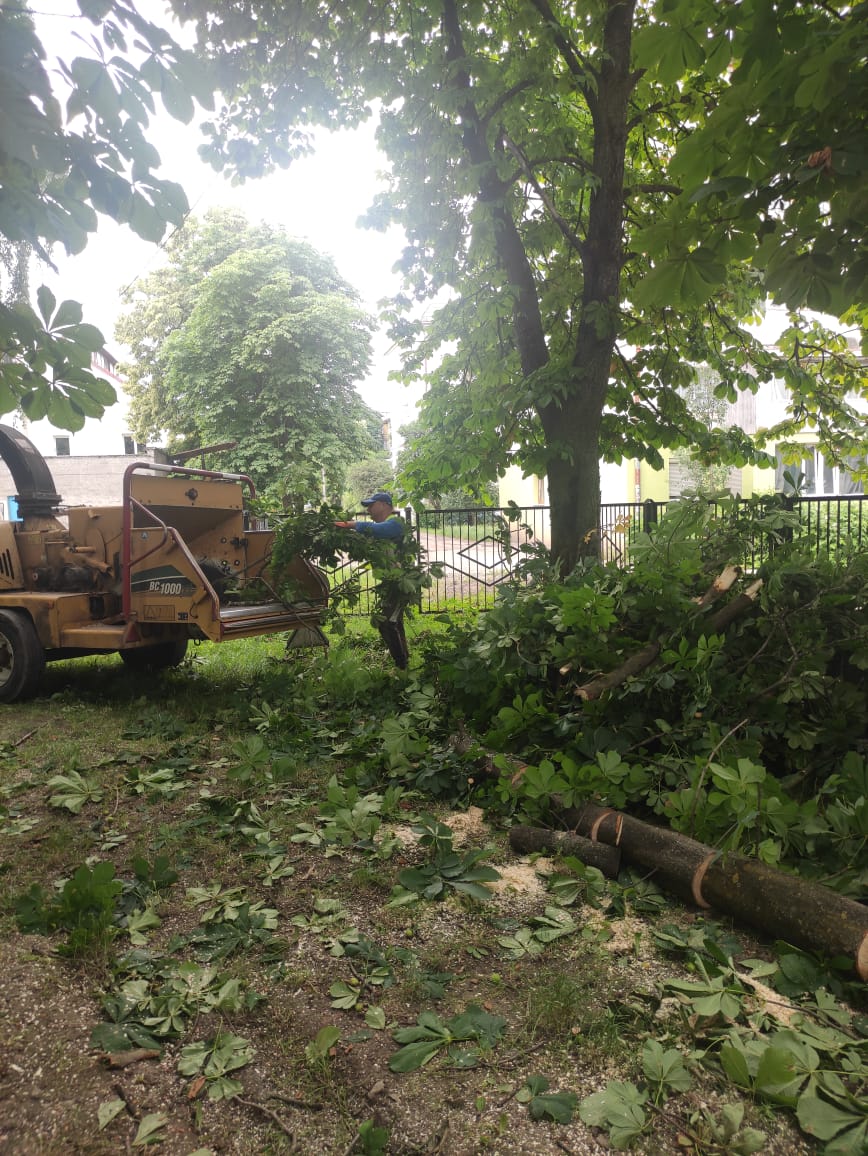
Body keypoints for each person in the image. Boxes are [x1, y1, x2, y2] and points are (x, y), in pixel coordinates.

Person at [335, 492, 409, 668]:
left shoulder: (396, 523)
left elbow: (380, 530)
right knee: (393, 622)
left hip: (402, 582)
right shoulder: (377, 531)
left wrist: (352, 524)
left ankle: (401, 665)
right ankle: (404, 663)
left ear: (384, 504)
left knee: (387, 622)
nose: (368, 510)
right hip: (390, 583)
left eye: (371, 505)